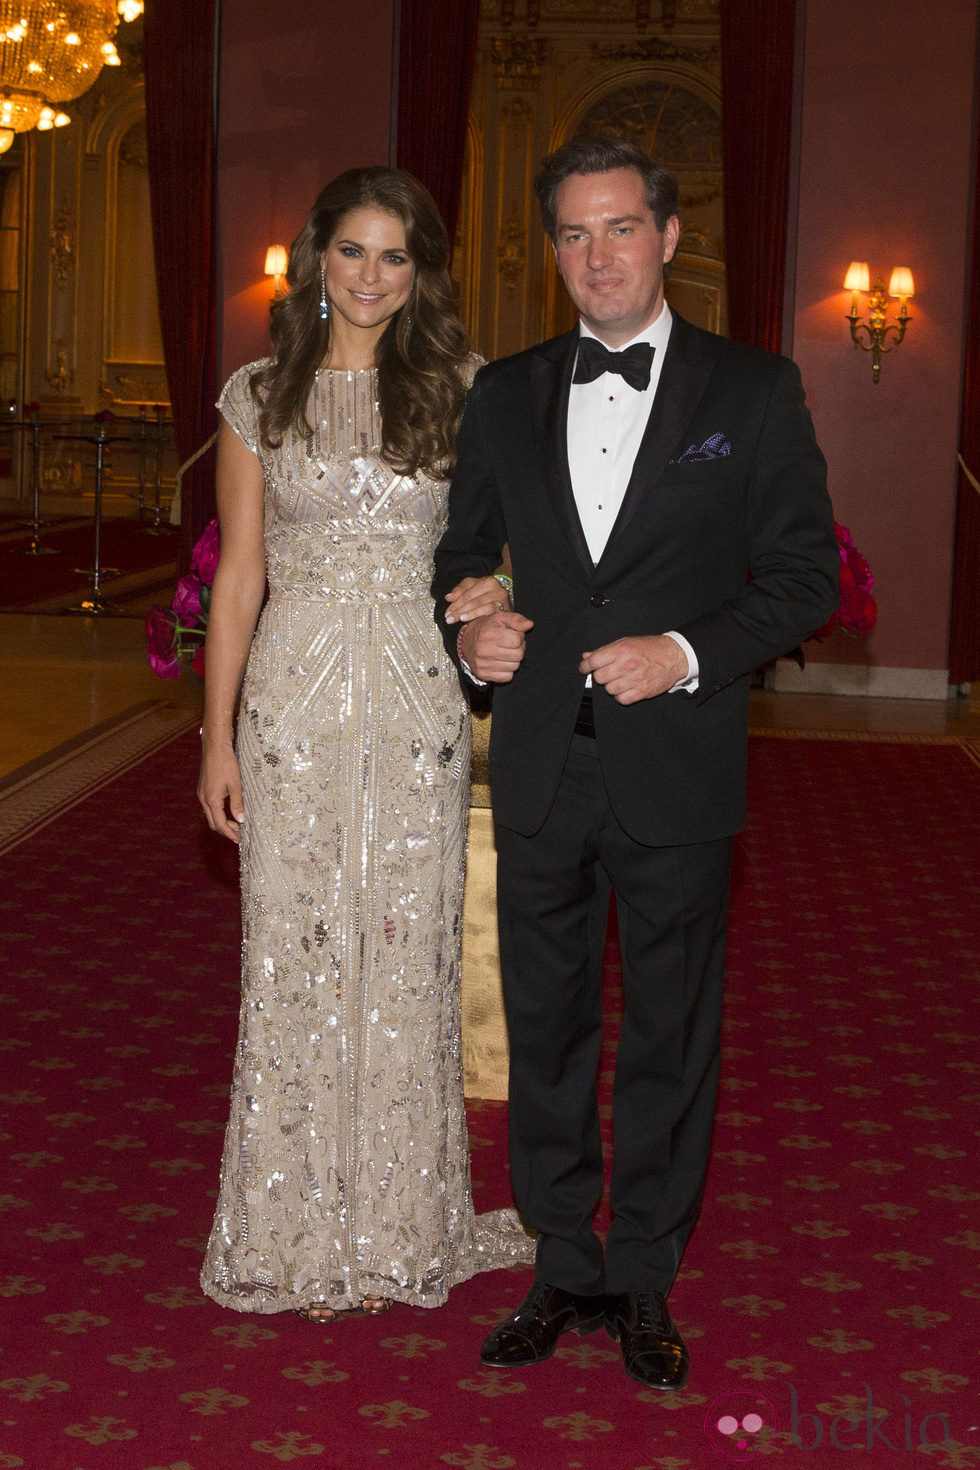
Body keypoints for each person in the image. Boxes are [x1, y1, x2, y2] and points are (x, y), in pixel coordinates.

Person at [433, 137, 839, 1389]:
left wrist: (681, 650)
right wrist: (470, 621)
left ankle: (646, 1275)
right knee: (544, 1030)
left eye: (618, 229)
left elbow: (803, 578)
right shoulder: (502, 390)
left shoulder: (752, 392)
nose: (595, 257)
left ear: (668, 237)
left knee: (670, 1029)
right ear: (549, 247)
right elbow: (462, 551)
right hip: (545, 759)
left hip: (678, 765)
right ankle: (564, 1261)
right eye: (570, 234)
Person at [198, 166, 533, 1322]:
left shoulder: (462, 389)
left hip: (411, 702)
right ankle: (288, 1219)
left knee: (404, 957)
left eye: (395, 256)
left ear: (420, 270)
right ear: (317, 256)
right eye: (353, 250)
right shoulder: (258, 395)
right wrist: (215, 738)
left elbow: (494, 547)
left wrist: (490, 589)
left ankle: (401, 1221)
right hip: (290, 700)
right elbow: (238, 577)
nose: (373, 276)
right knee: (290, 953)